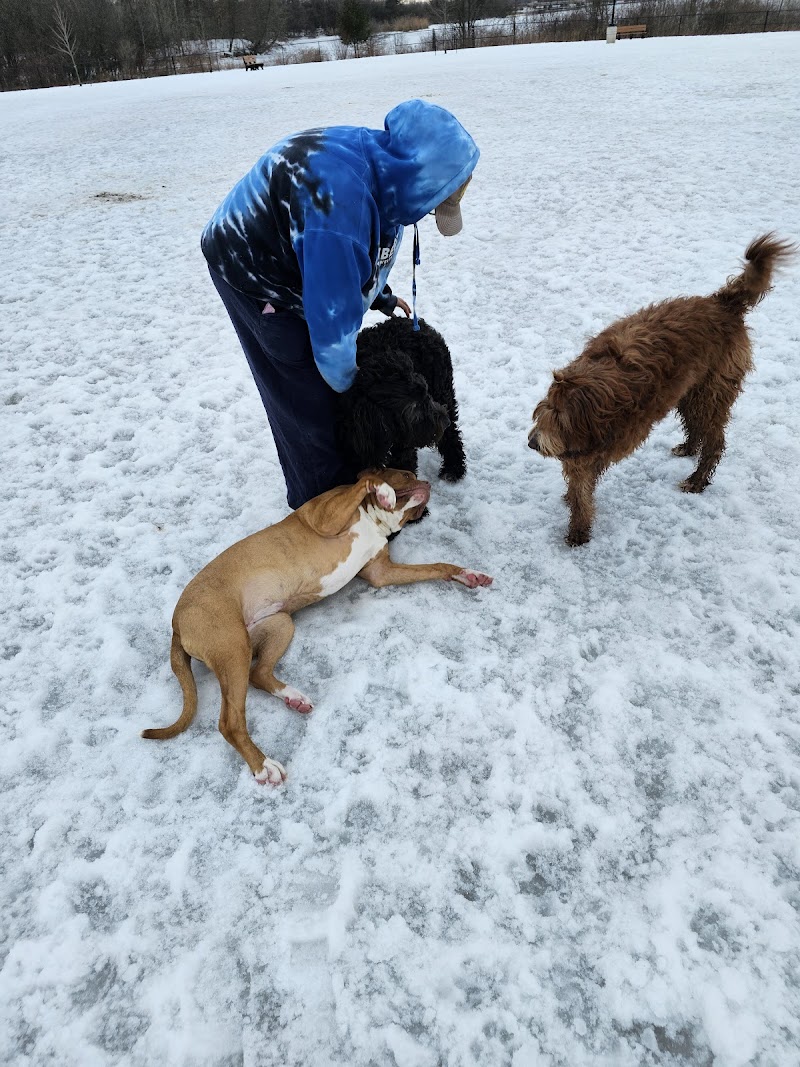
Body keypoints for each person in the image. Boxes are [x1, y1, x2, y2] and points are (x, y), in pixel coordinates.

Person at [201, 98, 479, 510]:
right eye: (432, 203)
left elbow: (364, 252)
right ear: (417, 178)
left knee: (333, 385)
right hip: (253, 268)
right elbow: (332, 335)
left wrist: (379, 296)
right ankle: (327, 510)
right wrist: (363, 404)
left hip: (307, 248)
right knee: (309, 397)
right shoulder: (340, 206)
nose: (428, 214)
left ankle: (347, 481)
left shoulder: (388, 171)